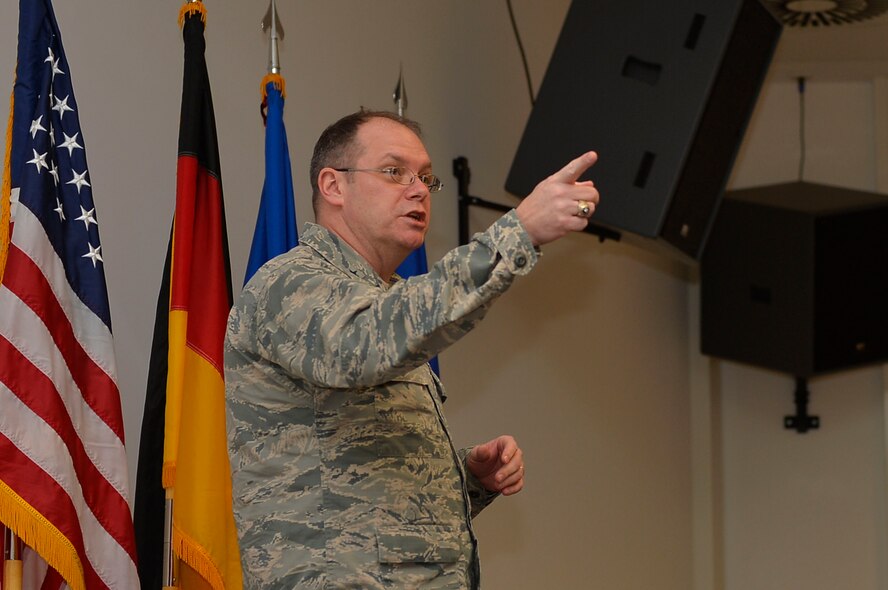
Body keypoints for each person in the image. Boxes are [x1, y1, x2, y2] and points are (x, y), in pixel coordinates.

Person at [225, 109, 599, 589]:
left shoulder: (384, 300)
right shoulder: (288, 285)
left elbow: (356, 475)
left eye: (425, 177)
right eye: (393, 171)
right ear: (333, 186)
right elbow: (370, 342)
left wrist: (466, 477)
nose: (419, 188)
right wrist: (517, 233)